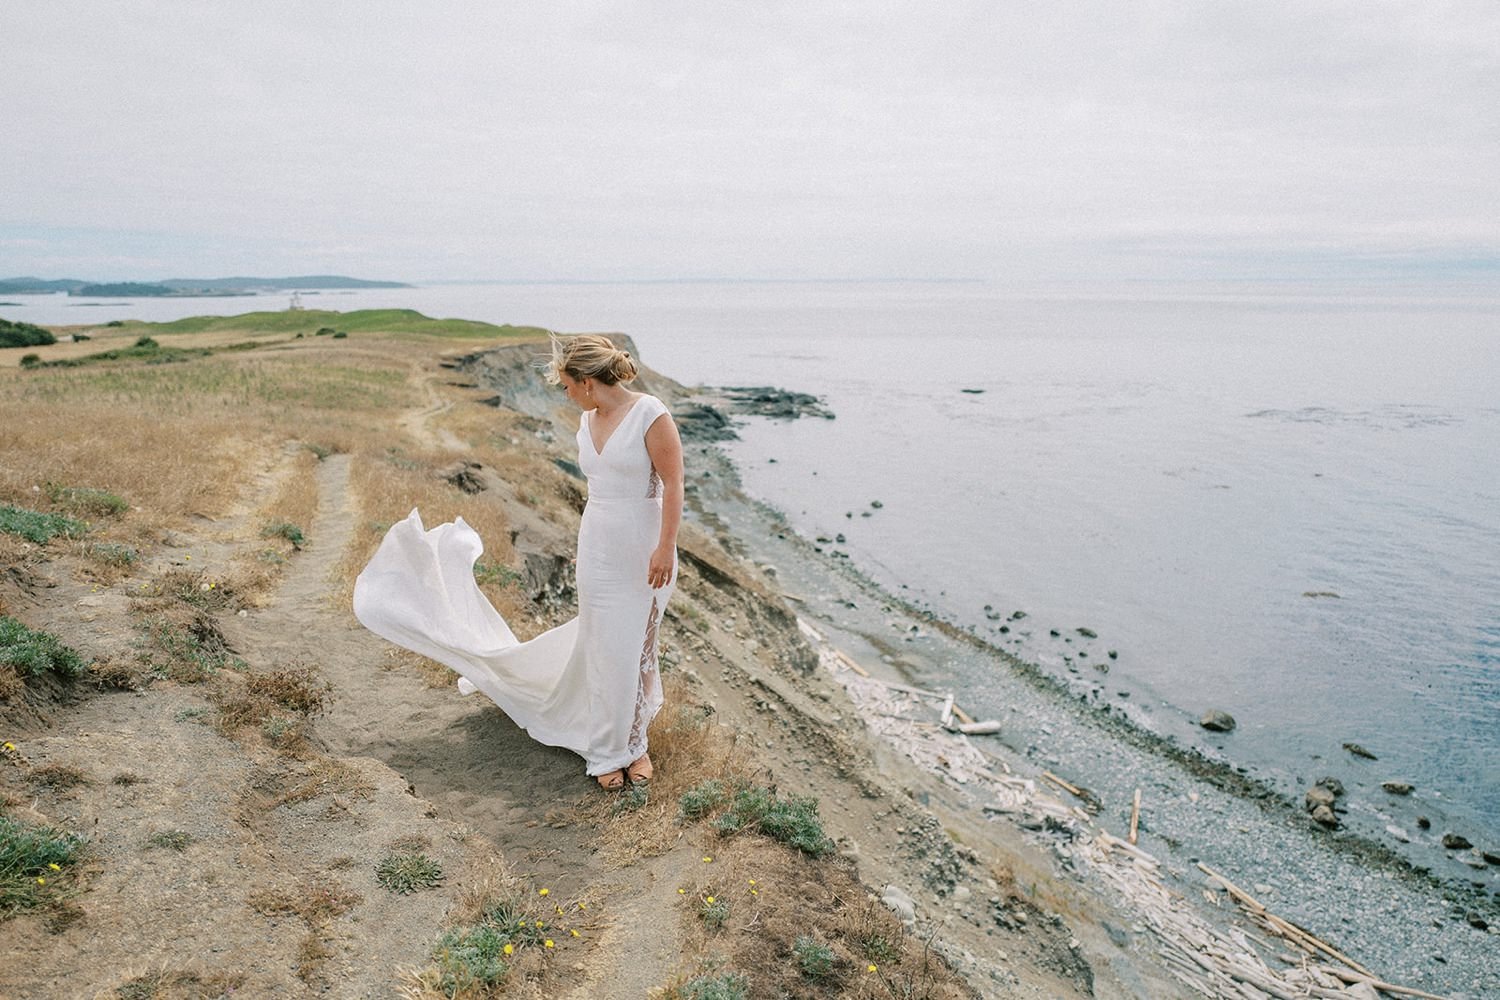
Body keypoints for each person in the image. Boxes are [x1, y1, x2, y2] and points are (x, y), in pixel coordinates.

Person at [353, 334, 684, 790]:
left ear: (588, 381)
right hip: (598, 549)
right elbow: (597, 493)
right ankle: (610, 750)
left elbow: (674, 483)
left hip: (645, 551)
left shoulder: (651, 414)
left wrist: (665, 548)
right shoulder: (587, 423)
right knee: (602, 648)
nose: (564, 394)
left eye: (567, 385)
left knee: (636, 647)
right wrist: (586, 543)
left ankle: (635, 744)